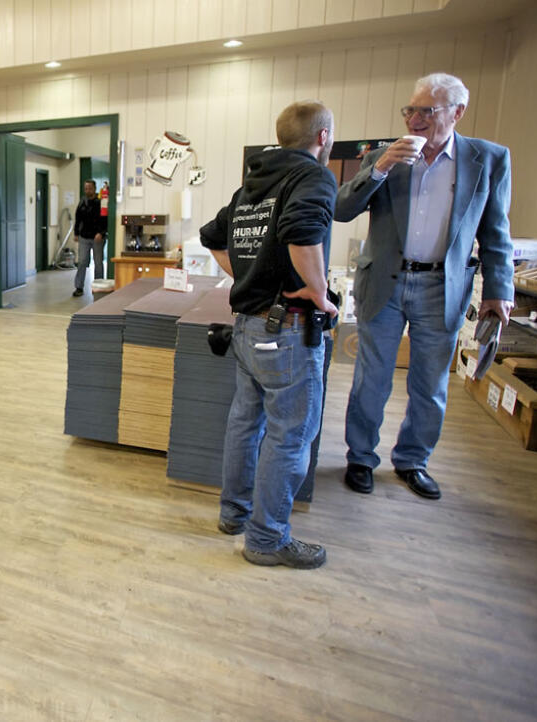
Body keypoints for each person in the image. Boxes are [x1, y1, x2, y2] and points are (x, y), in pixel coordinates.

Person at [337, 73, 514, 501]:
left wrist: (499, 290)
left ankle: (412, 461)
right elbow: (342, 209)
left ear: (457, 112)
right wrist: (379, 169)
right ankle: (360, 457)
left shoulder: (487, 159)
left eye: (425, 111)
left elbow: (496, 232)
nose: (414, 119)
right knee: (371, 378)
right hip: (385, 282)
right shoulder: (383, 157)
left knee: (430, 384)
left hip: (443, 285)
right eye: (409, 110)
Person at [200, 100, 338, 569]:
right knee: (291, 436)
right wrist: (319, 293)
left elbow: (213, 236)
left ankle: (234, 514)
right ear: (322, 138)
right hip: (287, 330)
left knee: (246, 423)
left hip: (248, 328)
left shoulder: (251, 186)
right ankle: (266, 537)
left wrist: (244, 277)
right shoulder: (311, 178)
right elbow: (302, 232)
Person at [72, 179, 106, 297]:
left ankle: (99, 287)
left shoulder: (100, 202)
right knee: (82, 262)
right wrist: (76, 233)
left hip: (97, 237)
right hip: (84, 237)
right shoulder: (82, 202)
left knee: (98, 263)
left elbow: (105, 220)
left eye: (90, 188)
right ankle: (79, 287)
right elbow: (78, 219)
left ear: (94, 189)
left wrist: (101, 233)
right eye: (86, 188)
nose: (87, 190)